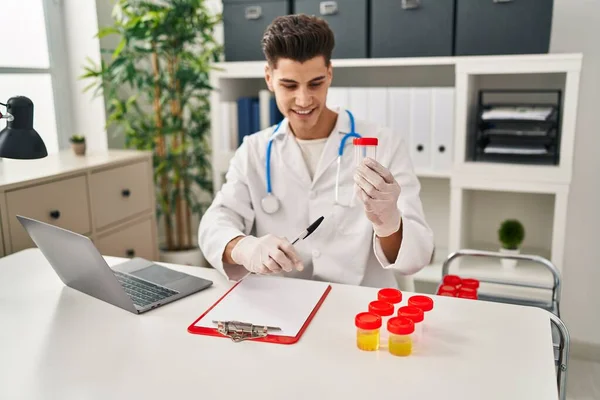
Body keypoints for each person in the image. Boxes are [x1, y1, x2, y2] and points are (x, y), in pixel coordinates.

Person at [198, 14, 434, 289]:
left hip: (361, 308)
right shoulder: (254, 150)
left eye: (315, 83)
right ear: (269, 78)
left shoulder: (383, 143)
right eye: (289, 85)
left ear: (330, 74)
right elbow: (215, 222)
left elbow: (418, 256)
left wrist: (389, 223)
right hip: (285, 305)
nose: (303, 100)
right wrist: (244, 248)